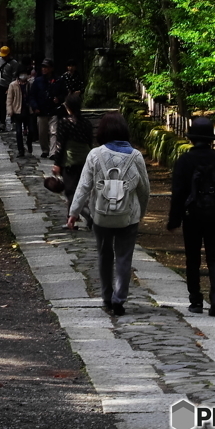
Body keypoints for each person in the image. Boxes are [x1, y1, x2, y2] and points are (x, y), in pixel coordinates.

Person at [68, 111, 150, 316]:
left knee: (105, 255)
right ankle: (119, 299)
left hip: (101, 216)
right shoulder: (135, 156)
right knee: (124, 257)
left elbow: (84, 186)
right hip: (128, 217)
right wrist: (141, 210)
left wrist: (74, 212)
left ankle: (106, 295)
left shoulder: (95, 155)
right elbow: (144, 189)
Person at [166, 116, 215, 317]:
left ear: (191, 138)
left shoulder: (185, 160)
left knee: (193, 258)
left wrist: (174, 220)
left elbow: (178, 192)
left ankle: (196, 300)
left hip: (192, 215)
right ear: (210, 138)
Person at [50, 92, 93, 215]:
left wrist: (57, 163)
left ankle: (83, 213)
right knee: (82, 188)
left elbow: (60, 145)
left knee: (70, 190)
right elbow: (90, 142)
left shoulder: (65, 122)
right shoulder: (86, 123)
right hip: (85, 159)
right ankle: (71, 219)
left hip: (70, 161)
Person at [50, 59, 84, 156]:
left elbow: (81, 86)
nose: (71, 68)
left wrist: (78, 92)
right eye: (69, 66)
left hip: (75, 97)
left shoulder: (78, 76)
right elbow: (62, 88)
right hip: (66, 98)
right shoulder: (64, 76)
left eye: (72, 66)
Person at [29, 58, 57, 158]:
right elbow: (32, 96)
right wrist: (35, 107)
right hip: (41, 111)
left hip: (53, 110)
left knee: (54, 132)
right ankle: (45, 149)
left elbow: (62, 93)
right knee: (42, 133)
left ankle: (53, 152)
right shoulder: (38, 81)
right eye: (43, 67)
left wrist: (58, 99)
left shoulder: (56, 80)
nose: (44, 69)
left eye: (46, 67)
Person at [0, 46, 18, 132]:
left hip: (10, 85)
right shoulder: (0, 60)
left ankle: (13, 121)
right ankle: (2, 122)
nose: (3, 57)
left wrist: (10, 88)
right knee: (2, 104)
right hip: (1, 84)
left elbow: (14, 76)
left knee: (11, 104)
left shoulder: (14, 63)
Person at [6, 71, 34, 157]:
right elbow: (9, 99)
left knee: (32, 130)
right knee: (18, 132)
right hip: (17, 111)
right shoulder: (13, 85)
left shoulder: (30, 84)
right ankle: (20, 150)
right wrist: (10, 110)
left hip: (28, 110)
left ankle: (29, 142)